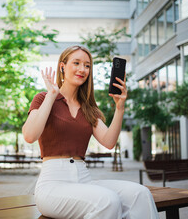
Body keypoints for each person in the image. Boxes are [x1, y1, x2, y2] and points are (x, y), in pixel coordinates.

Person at [22, 45, 159, 219]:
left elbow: (109, 142)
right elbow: (30, 135)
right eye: (77, 63)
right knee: (108, 201)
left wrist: (120, 107)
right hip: (52, 185)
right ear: (62, 66)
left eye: (87, 65)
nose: (82, 69)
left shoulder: (88, 108)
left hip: (84, 180)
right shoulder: (43, 98)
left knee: (141, 194)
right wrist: (51, 95)